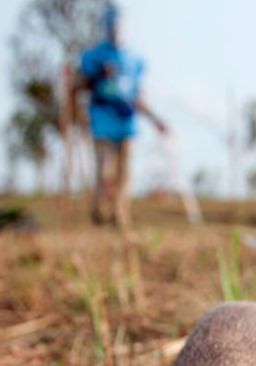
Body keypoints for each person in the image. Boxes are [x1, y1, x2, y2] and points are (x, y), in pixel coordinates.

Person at [70, 4, 167, 231]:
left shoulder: (134, 60)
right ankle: (99, 211)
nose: (115, 29)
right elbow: (78, 84)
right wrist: (94, 76)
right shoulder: (93, 57)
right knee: (105, 170)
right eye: (111, 24)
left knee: (124, 175)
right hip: (101, 121)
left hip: (127, 123)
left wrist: (156, 120)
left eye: (119, 24)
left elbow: (138, 96)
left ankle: (119, 216)